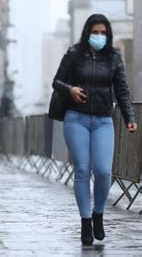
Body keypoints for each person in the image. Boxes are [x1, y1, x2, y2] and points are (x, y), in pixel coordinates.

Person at [52, 14, 137, 246]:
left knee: (102, 171)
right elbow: (56, 82)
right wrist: (70, 90)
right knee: (82, 169)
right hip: (75, 119)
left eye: (103, 33)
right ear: (87, 32)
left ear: (108, 35)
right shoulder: (74, 54)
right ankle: (86, 221)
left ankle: (98, 213)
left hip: (102, 120)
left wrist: (130, 117)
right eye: (95, 32)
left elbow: (122, 91)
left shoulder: (114, 57)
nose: (99, 36)